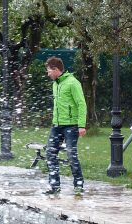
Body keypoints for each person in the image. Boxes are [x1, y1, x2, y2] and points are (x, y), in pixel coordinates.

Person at [43, 56, 87, 195]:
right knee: (50, 154)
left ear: (56, 69)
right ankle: (55, 187)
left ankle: (78, 185)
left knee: (71, 155)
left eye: (49, 70)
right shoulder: (55, 84)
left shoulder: (73, 83)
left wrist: (81, 125)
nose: (48, 73)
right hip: (57, 125)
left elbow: (81, 104)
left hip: (71, 126)